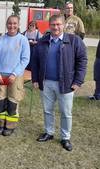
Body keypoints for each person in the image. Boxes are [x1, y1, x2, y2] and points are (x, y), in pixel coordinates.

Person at [32, 15, 87, 151]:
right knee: (47, 110)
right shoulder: (42, 41)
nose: (56, 27)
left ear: (63, 25)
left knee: (66, 112)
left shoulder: (74, 41)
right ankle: (49, 132)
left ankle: (65, 137)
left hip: (66, 84)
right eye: (53, 25)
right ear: (49, 26)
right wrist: (35, 79)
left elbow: (82, 61)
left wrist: (78, 81)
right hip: (46, 82)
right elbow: (35, 62)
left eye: (58, 24)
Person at [0, 15, 30, 136]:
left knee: (13, 101)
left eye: (14, 23)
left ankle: (10, 126)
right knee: (0, 100)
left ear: (18, 25)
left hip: (16, 76)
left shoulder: (23, 40)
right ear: (6, 24)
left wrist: (15, 73)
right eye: (9, 23)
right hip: (1, 75)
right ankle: (1, 124)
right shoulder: (0, 40)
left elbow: (25, 59)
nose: (12, 26)